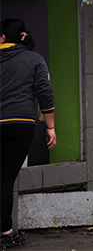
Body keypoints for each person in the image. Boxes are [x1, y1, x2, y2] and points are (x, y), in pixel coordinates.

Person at [1, 19, 56, 249]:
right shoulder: (35, 59)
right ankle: (6, 232)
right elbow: (45, 92)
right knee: (4, 178)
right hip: (21, 124)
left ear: (3, 38)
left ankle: (6, 231)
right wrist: (50, 127)